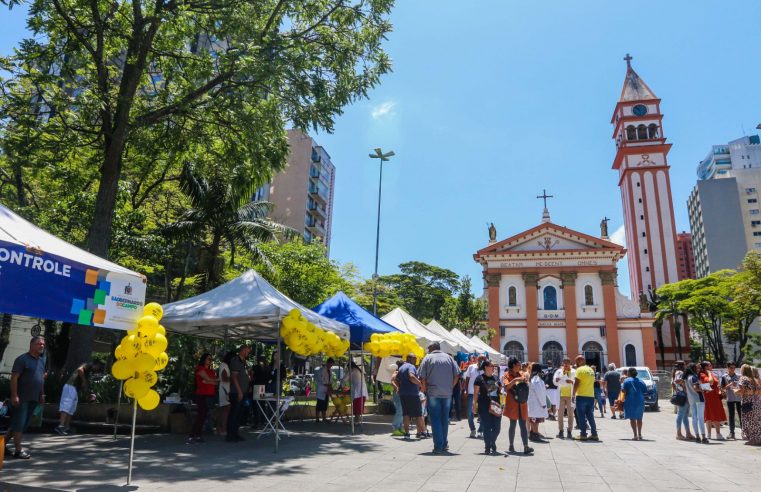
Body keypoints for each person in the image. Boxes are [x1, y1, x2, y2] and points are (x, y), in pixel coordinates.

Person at [7, 336, 46, 459]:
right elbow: (14, 378)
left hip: (34, 398)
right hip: (21, 398)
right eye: (39, 344)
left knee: (19, 425)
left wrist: (42, 394)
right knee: (18, 424)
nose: (42, 346)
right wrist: (14, 395)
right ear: (32, 345)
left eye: (43, 344)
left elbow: (41, 380)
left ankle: (1, 446)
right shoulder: (22, 359)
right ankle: (18, 450)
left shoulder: (41, 361)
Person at [418, 342, 460, 454]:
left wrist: (424, 388)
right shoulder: (449, 358)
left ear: (432, 348)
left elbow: (422, 376)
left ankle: (438, 446)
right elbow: (457, 375)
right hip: (447, 393)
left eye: (429, 348)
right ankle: (444, 443)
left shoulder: (428, 358)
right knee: (444, 418)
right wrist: (451, 386)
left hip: (433, 392)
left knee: (435, 419)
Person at [55, 359, 103, 436]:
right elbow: (80, 370)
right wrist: (84, 380)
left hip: (74, 389)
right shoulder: (88, 364)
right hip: (70, 386)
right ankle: (60, 426)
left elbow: (85, 386)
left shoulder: (88, 372)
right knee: (66, 406)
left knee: (72, 408)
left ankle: (66, 427)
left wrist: (89, 394)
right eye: (98, 367)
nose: (98, 370)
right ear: (96, 364)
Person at [503, 357, 532, 455]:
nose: (520, 366)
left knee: (523, 424)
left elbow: (526, 384)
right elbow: (506, 387)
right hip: (512, 403)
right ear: (513, 366)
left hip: (522, 402)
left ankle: (526, 446)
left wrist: (524, 379)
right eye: (518, 365)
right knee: (513, 424)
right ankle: (511, 445)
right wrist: (515, 379)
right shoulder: (507, 375)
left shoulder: (522, 374)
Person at [472, 359, 502, 455]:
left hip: (496, 405)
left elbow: (500, 391)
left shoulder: (496, 378)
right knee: (487, 427)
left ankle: (492, 441)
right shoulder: (479, 379)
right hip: (484, 405)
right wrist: (474, 405)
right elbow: (476, 393)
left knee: (497, 427)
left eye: (493, 366)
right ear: (485, 367)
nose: (493, 368)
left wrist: (501, 390)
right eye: (491, 366)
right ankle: (487, 447)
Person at [188, 353, 219, 443]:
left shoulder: (211, 371)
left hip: (210, 394)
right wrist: (212, 380)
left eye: (211, 359)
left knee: (204, 416)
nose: (210, 361)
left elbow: (213, 382)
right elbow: (210, 380)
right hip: (201, 394)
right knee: (200, 416)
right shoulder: (200, 368)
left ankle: (197, 435)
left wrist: (209, 381)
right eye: (209, 359)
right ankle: (192, 435)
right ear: (204, 359)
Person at [396, 353, 426, 439]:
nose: (416, 361)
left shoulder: (401, 367)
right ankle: (423, 432)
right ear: (410, 358)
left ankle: (407, 434)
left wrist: (399, 387)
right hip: (412, 394)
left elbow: (396, 379)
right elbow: (411, 376)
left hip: (403, 394)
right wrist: (420, 384)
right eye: (415, 359)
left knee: (406, 414)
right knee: (418, 414)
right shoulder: (411, 366)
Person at [226, 344, 251, 442]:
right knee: (234, 413)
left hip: (243, 391)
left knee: (239, 414)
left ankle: (235, 433)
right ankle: (230, 435)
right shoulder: (236, 360)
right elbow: (234, 377)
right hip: (236, 392)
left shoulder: (244, 361)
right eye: (245, 351)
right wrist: (240, 391)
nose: (247, 353)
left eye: (248, 352)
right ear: (241, 350)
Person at [572, 355, 598, 441]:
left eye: (576, 362)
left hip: (581, 395)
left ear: (579, 361)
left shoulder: (579, 370)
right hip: (590, 395)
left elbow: (576, 383)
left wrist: (573, 394)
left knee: (581, 416)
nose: (576, 364)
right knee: (590, 415)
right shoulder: (591, 370)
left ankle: (583, 434)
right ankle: (594, 434)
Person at [734, 364, 761, 445]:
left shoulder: (743, 378)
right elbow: (759, 391)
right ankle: (758, 438)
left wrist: (735, 391)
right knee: (757, 421)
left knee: (748, 421)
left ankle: (752, 439)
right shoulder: (754, 379)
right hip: (756, 403)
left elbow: (741, 390)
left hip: (747, 403)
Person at [700, 361, 726, 440]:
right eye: (710, 365)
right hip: (709, 397)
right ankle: (709, 434)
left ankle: (718, 433)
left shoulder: (711, 374)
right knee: (708, 415)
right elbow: (710, 382)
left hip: (715, 397)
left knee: (716, 415)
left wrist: (720, 389)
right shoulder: (703, 374)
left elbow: (715, 384)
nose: (712, 366)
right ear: (706, 367)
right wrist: (709, 373)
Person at [683, 362, 707, 443]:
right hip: (699, 399)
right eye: (697, 368)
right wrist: (704, 389)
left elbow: (686, 390)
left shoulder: (686, 378)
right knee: (700, 418)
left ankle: (697, 436)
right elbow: (696, 388)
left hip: (691, 399)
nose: (699, 370)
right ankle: (703, 436)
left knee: (694, 418)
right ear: (693, 369)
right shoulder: (694, 377)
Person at [621, 367, 646, 440]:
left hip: (630, 401)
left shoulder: (626, 381)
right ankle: (640, 434)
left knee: (632, 419)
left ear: (628, 373)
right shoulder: (641, 381)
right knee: (639, 418)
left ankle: (635, 435)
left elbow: (623, 390)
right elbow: (645, 390)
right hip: (640, 401)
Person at [553, 357, 575, 439]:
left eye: (567, 363)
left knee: (570, 414)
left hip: (570, 395)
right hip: (561, 395)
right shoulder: (559, 371)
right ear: (562, 364)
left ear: (570, 364)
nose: (565, 365)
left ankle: (569, 431)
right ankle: (561, 431)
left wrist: (572, 382)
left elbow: (576, 381)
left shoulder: (573, 371)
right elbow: (554, 381)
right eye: (564, 363)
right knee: (560, 414)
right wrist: (556, 379)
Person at [671, 360, 693, 441]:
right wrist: (684, 389)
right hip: (683, 396)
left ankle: (688, 433)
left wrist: (677, 390)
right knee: (681, 414)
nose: (685, 366)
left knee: (684, 415)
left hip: (681, 395)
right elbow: (678, 381)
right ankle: (679, 433)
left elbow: (673, 384)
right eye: (684, 364)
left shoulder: (675, 372)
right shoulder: (679, 372)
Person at [464, 355, 484, 438]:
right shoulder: (471, 367)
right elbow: (467, 379)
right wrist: (466, 390)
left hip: (482, 394)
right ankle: (472, 429)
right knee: (469, 413)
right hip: (471, 393)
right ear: (476, 359)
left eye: (483, 359)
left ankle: (481, 430)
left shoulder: (486, 369)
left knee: (482, 414)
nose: (481, 361)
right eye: (480, 359)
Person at [528, 363, 548, 442]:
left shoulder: (532, 378)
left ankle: (532, 434)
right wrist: (543, 403)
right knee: (535, 420)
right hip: (537, 403)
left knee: (533, 419)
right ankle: (535, 434)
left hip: (533, 403)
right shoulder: (536, 379)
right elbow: (540, 392)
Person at [721, 362, 741, 440]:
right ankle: (732, 433)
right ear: (728, 368)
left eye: (734, 367)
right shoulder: (724, 376)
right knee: (731, 416)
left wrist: (737, 385)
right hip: (730, 398)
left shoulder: (739, 376)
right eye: (731, 368)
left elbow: (742, 386)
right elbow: (722, 388)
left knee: (741, 415)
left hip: (739, 398)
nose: (733, 369)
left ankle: (744, 432)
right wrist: (730, 385)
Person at [216, 351, 234, 436]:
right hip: (224, 389)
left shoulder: (225, 365)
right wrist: (234, 379)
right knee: (225, 410)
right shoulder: (224, 365)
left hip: (225, 389)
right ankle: (223, 429)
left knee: (224, 410)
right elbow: (224, 378)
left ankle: (220, 428)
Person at [251, 356, 271, 429]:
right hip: (264, 386)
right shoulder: (267, 368)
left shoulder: (255, 367)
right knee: (262, 404)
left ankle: (256, 422)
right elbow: (269, 378)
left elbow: (252, 376)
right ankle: (262, 421)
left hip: (257, 386)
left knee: (256, 405)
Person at [315, 358, 334, 423]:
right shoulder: (322, 369)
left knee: (325, 403)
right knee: (319, 404)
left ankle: (324, 418)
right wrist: (327, 385)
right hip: (321, 388)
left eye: (331, 365)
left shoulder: (330, 370)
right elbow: (321, 379)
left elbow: (330, 379)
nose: (330, 366)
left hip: (326, 389)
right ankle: (317, 418)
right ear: (327, 363)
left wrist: (330, 385)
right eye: (330, 364)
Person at [390, 360, 405, 436]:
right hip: (397, 393)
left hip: (402, 393)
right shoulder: (396, 372)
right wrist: (397, 388)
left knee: (402, 411)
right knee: (400, 410)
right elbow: (392, 381)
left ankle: (399, 427)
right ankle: (395, 428)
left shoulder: (401, 373)